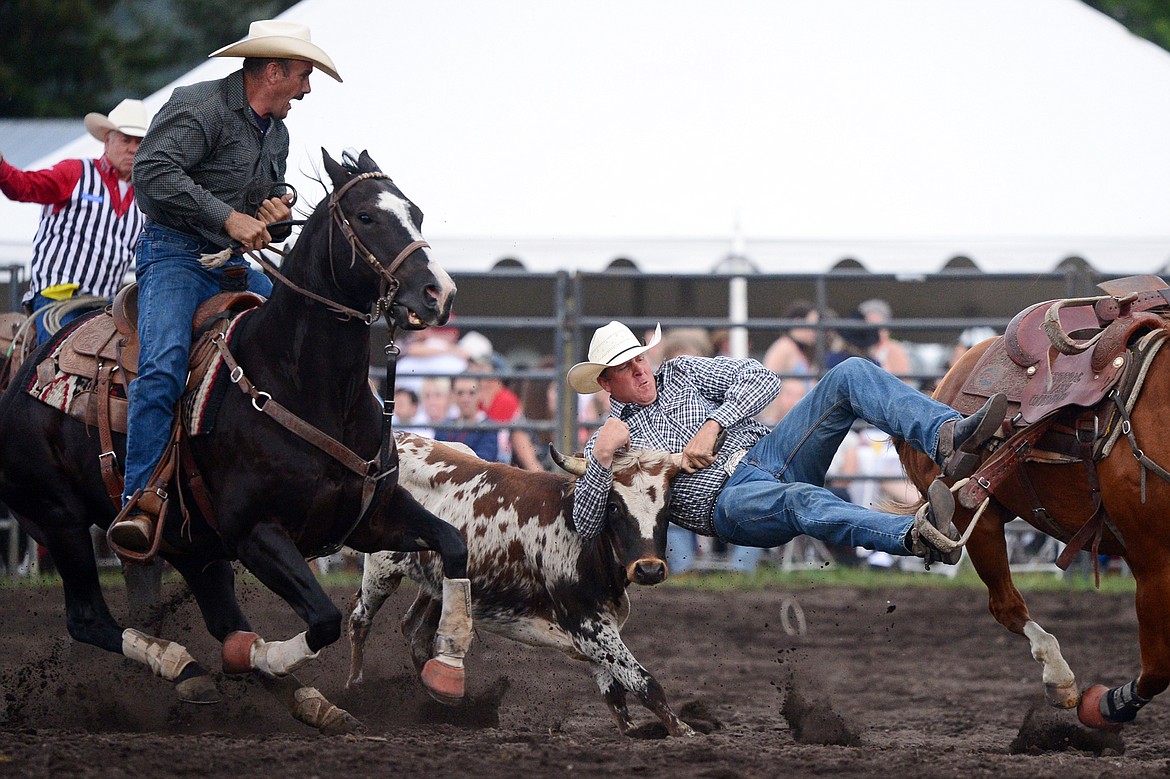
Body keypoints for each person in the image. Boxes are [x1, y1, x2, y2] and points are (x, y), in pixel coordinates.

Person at [109, 20, 342, 552]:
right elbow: (153, 174)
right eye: (304, 76)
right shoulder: (200, 105)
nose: (307, 89)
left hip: (234, 263)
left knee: (306, 331)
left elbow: (264, 215)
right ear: (274, 71)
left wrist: (273, 216)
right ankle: (140, 500)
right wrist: (228, 218)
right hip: (175, 257)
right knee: (164, 361)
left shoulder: (277, 133)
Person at [567, 321, 1009, 568]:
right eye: (625, 368)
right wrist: (603, 457)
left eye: (639, 358)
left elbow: (763, 379)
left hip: (771, 451)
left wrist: (715, 423)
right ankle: (919, 537)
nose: (641, 370)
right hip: (730, 502)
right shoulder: (608, 442)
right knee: (799, 500)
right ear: (605, 383)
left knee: (851, 373)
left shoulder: (682, 372)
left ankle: (948, 437)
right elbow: (584, 526)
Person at [0, 98, 151, 344]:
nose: (133, 149)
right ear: (107, 140)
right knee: (55, 365)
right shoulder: (74, 173)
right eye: (126, 140)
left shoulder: (145, 196)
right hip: (57, 298)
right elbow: (24, 187)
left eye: (139, 142)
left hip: (103, 306)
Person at [436, 376, 499, 461]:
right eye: (460, 393)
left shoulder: (488, 428)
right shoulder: (444, 426)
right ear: (452, 395)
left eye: (471, 393)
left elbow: (483, 462)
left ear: (480, 394)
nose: (465, 399)